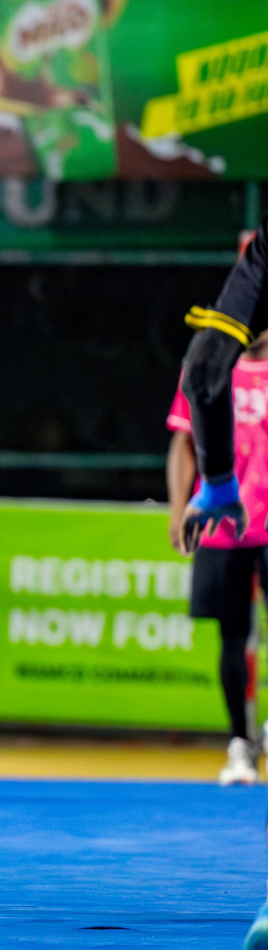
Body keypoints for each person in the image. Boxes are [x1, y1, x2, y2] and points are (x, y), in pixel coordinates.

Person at [170, 222, 268, 950]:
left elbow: (206, 364)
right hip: (237, 522)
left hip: (234, 499)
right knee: (233, 636)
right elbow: (206, 370)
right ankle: (242, 740)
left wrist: (220, 479)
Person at [166, 332, 268, 785]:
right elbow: (183, 443)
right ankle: (240, 743)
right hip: (223, 522)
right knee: (233, 636)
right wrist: (175, 509)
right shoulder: (209, 361)